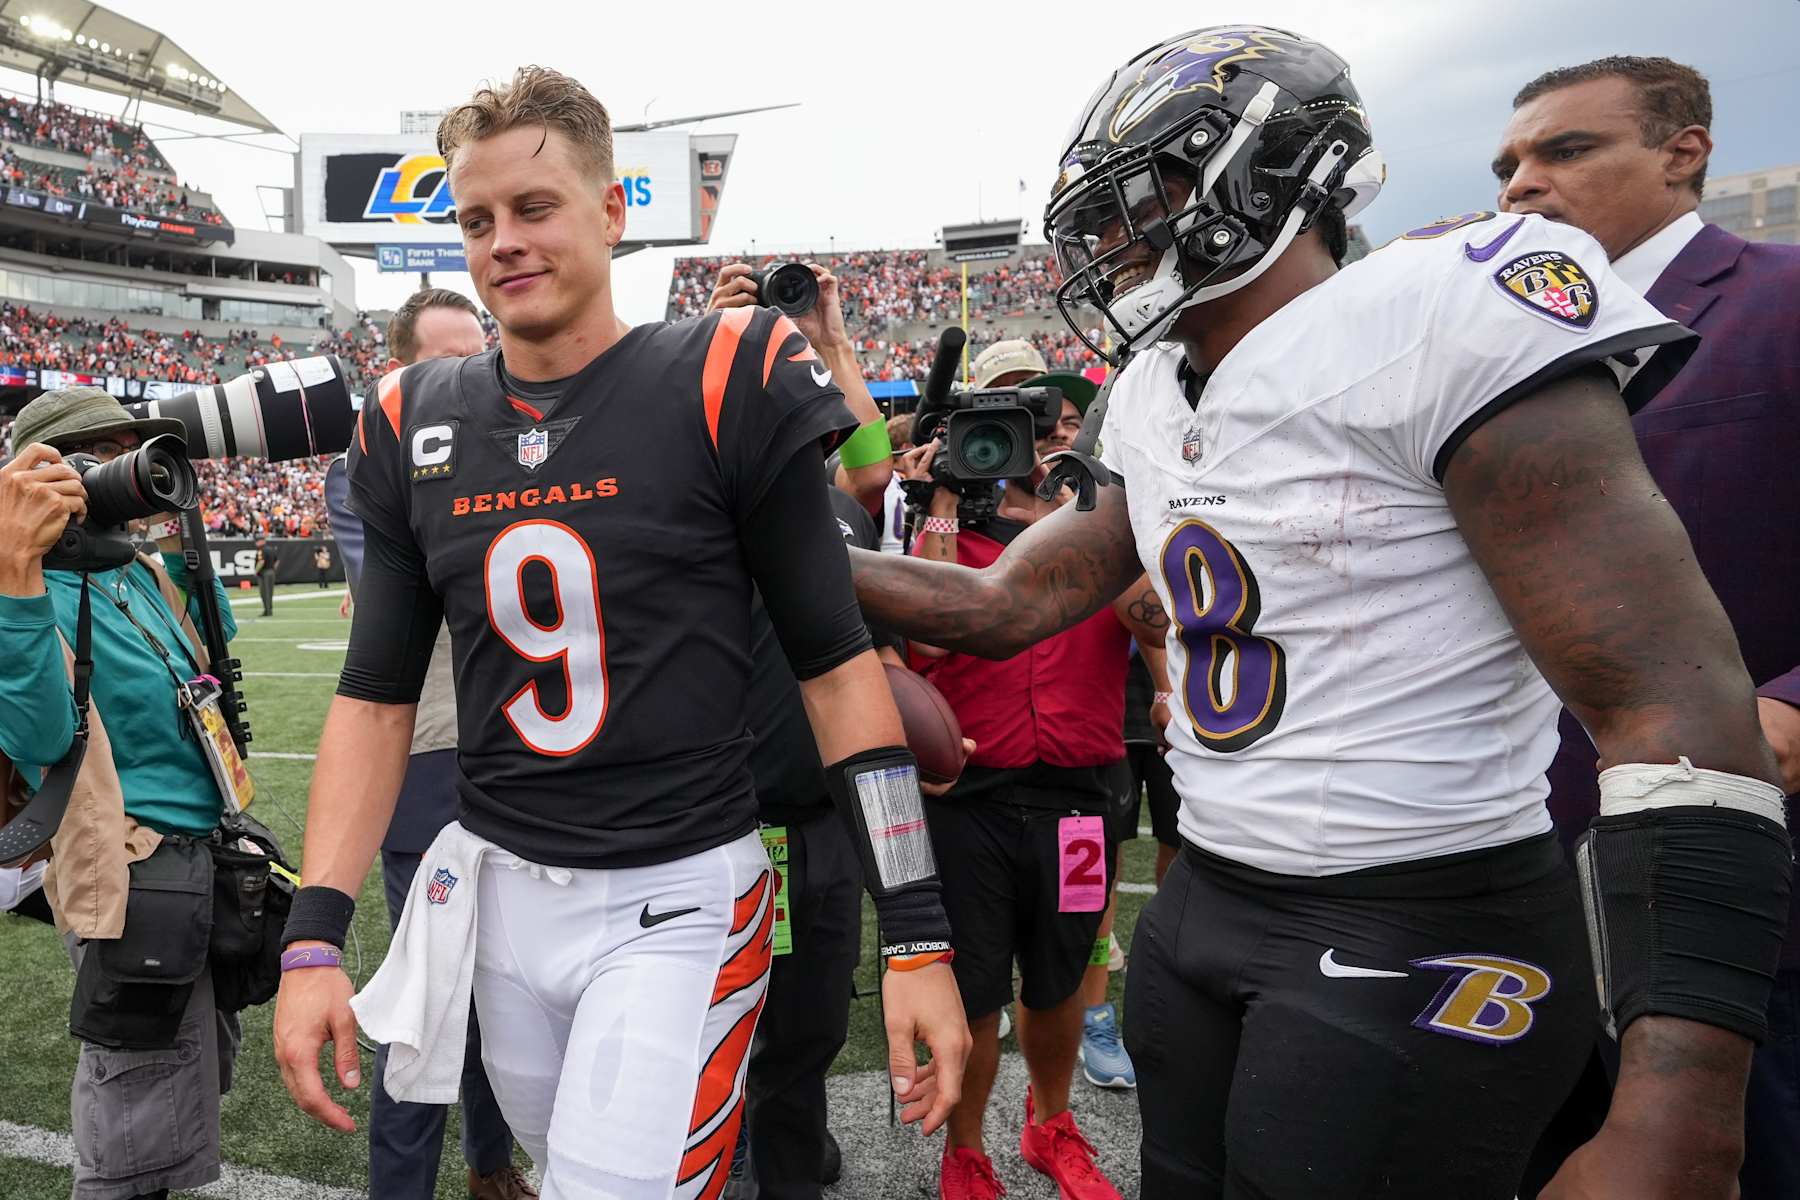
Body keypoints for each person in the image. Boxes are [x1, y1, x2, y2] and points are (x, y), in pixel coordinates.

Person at [849, 26, 1790, 1200]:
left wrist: (1683, 1106)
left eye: (1154, 193)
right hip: (1211, 897)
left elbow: (1676, 707)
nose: (1108, 238)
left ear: (1271, 177)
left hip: (1418, 910)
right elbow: (1004, 600)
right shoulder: (1148, 386)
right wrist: (760, 541)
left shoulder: (1445, 304)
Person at [272, 66, 968, 1200]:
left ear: (609, 212)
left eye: (534, 209)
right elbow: (375, 694)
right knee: (568, 1173)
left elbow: (837, 668)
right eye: (476, 219)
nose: (503, 242)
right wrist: (314, 939)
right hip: (500, 894)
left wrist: (918, 930)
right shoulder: (410, 416)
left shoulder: (725, 370)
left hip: (680, 895)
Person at [1491, 56, 1800, 1199]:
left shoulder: (1782, 300)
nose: (1522, 185)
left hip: (1738, 886)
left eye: (1564, 151)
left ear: (1685, 151)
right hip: (1508, 878)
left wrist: (1783, 711)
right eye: (1508, 164)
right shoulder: (1486, 347)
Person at [706, 264, 972, 1200]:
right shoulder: (704, 501)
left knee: (811, 1028)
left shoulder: (842, 513)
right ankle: (747, 1155)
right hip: (727, 825)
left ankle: (786, 1163)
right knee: (718, 1030)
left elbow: (868, 468)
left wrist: (830, 338)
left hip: (820, 825)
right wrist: (717, 341)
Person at [899, 340, 1169, 1200]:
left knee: (1059, 983)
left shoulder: (1092, 525)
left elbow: (1153, 622)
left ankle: (1050, 1122)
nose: (1018, 449)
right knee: (974, 989)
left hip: (1078, 792)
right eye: (997, 431)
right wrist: (942, 496)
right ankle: (966, 1149)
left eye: (1041, 425)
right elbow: (935, 631)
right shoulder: (944, 532)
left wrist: (1096, 504)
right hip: (969, 795)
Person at [0, 387, 242, 1200]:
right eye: (97, 453)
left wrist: (181, 549)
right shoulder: (21, 578)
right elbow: (36, 739)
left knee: (183, 1091)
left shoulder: (125, 565)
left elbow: (209, 657)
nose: (123, 470)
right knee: (135, 1115)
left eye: (128, 449)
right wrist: (15, 569)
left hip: (194, 859)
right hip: (128, 863)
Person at [321, 288, 534, 1200]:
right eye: (437, 362)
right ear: (395, 375)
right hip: (427, 760)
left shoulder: (516, 446)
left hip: (523, 764)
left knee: (510, 1000)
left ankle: (492, 1168)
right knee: (426, 1003)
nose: (460, 378)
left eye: (472, 356)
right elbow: (423, 584)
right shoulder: (369, 464)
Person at [253, 534, 278, 616]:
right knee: (270, 593)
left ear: (261, 541)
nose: (256, 543)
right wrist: (273, 569)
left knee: (264, 593)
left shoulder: (261, 550)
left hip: (264, 573)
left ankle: (267, 610)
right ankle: (269, 609)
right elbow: (277, 561)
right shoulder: (271, 549)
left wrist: (256, 571)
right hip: (271, 572)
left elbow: (261, 562)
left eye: (257, 541)